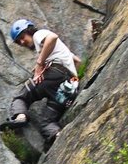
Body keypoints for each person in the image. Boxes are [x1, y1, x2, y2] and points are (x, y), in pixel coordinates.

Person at [5, 19, 81, 149]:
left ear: (29, 30)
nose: (22, 42)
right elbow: (77, 61)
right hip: (70, 86)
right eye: (19, 42)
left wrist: (41, 64)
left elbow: (52, 37)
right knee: (46, 122)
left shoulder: (38, 34)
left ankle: (21, 116)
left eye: (22, 37)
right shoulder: (62, 50)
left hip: (55, 75)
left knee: (21, 97)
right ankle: (60, 138)